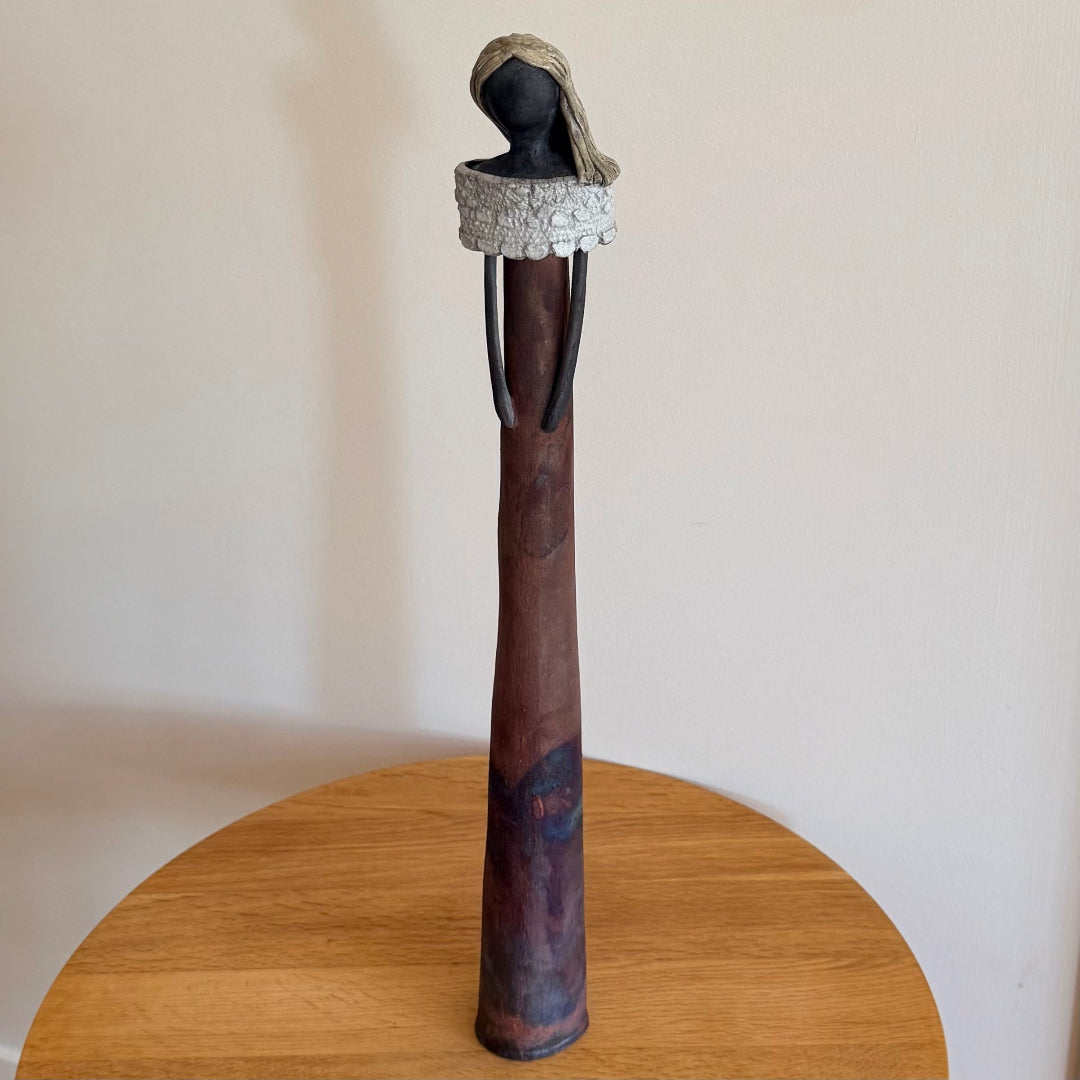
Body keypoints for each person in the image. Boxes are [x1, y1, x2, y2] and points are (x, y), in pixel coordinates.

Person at [455, 34, 619, 432]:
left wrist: (562, 381)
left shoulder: (581, 184)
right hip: (522, 389)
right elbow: (491, 283)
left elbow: (578, 286)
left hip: (546, 383)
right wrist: (501, 382)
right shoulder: (485, 180)